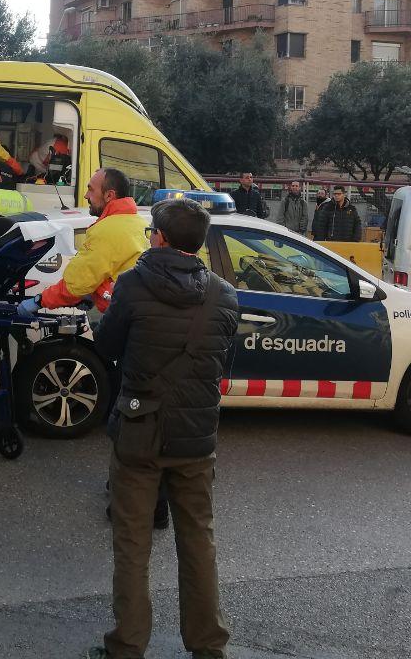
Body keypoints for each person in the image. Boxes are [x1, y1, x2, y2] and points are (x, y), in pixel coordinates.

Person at [87, 197, 239, 659]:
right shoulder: (223, 294)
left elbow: (108, 344)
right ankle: (209, 646)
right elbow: (220, 361)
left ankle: (127, 646)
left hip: (140, 428)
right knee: (198, 539)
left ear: (159, 237)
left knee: (132, 542)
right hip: (195, 434)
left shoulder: (133, 285)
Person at [18, 167, 147, 315]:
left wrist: (38, 301)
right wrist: (93, 293)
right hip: (136, 314)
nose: (86, 196)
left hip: (121, 315)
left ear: (109, 195)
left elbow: (76, 284)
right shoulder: (138, 223)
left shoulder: (106, 230)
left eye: (91, 190)